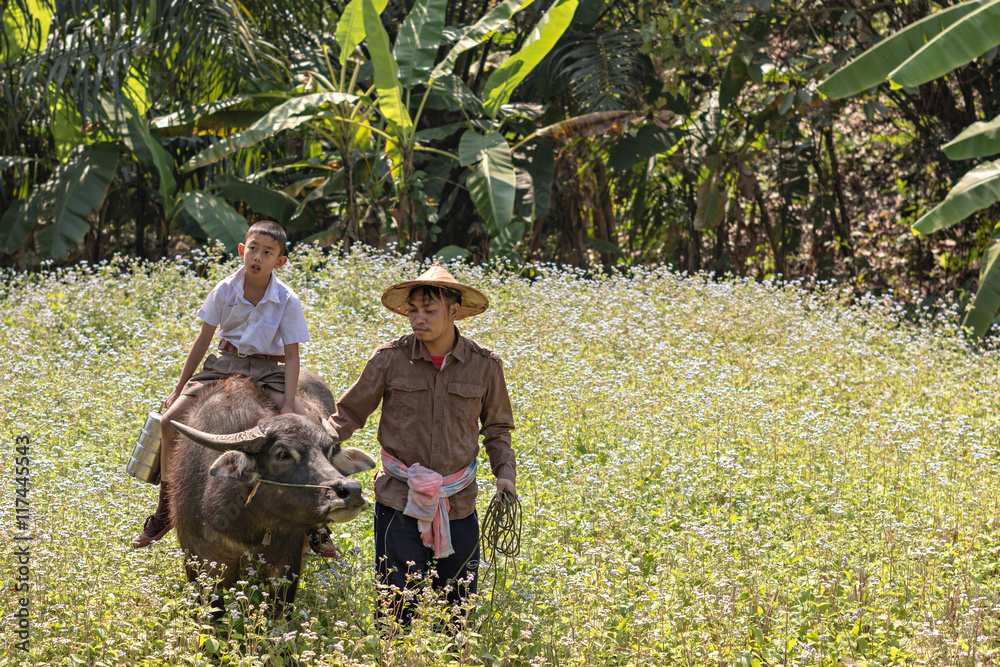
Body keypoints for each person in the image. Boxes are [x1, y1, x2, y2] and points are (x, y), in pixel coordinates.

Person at [324, 264, 516, 626]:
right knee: (396, 607)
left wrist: (504, 475)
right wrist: (311, 445)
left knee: (457, 610)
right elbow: (347, 415)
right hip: (399, 500)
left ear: (454, 312)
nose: (418, 318)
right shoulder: (389, 359)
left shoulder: (485, 366)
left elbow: (498, 428)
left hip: (458, 502)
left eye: (429, 310)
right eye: (413, 310)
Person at [132, 220, 327, 550]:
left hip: (268, 368)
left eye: (268, 252)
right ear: (242, 250)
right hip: (224, 364)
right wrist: (180, 388)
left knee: (309, 426)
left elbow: (293, 357)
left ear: (280, 261)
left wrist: (287, 403)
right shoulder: (224, 289)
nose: (257, 257)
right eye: (252, 249)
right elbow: (203, 339)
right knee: (169, 421)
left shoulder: (287, 300)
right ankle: (165, 509)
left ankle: (316, 521)